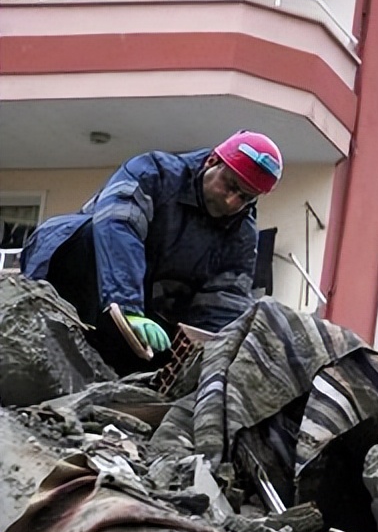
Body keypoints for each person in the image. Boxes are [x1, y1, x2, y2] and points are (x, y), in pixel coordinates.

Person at [21, 131, 283, 368]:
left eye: (246, 197)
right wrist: (127, 307)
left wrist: (207, 358)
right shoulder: (152, 173)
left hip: (146, 311)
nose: (231, 201)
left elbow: (224, 302)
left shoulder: (241, 238)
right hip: (75, 274)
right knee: (94, 235)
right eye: (231, 185)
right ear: (212, 161)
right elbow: (118, 229)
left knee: (160, 356)